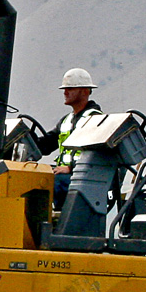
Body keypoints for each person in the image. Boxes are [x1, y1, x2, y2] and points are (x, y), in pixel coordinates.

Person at [49, 68, 103, 208]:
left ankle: (60, 217)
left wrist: (70, 168)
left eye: (70, 89)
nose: (65, 92)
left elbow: (99, 153)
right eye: (64, 89)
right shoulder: (66, 120)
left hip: (85, 178)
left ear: (85, 91)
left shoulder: (95, 119)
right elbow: (46, 144)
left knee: (55, 182)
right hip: (68, 175)